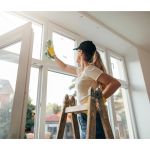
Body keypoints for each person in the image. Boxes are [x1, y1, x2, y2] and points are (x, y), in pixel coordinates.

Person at [52, 41, 121, 139]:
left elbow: (115, 83)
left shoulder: (90, 69)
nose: (76, 54)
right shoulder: (81, 71)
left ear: (81, 52)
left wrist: (97, 102)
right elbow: (65, 67)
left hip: (92, 115)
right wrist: (54, 55)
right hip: (84, 116)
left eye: (77, 51)